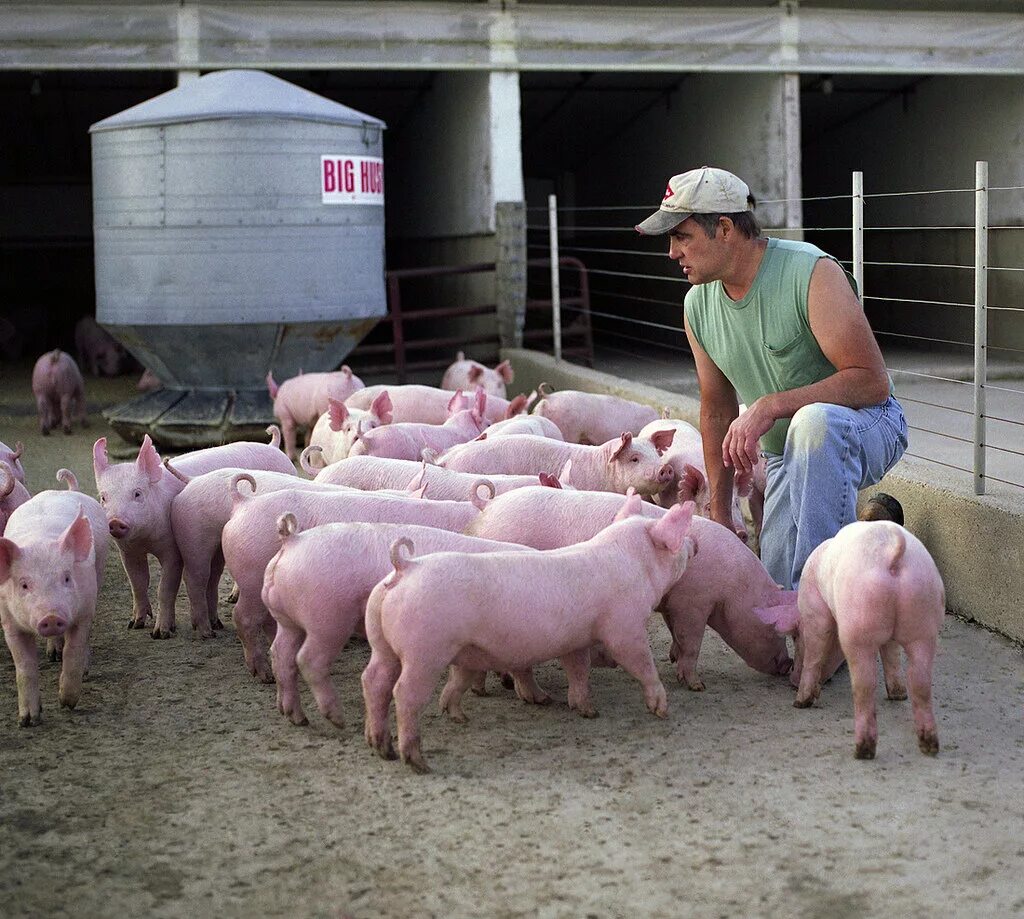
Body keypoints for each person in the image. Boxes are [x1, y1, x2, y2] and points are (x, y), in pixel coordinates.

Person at [635, 166, 908, 590]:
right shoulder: (697, 307)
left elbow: (872, 383)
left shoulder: (810, 272)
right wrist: (721, 513)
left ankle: (831, 617)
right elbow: (717, 409)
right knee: (776, 586)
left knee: (813, 425)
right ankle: (867, 544)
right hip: (784, 456)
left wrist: (771, 404)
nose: (672, 253)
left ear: (723, 228)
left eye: (681, 236)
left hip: (866, 422)